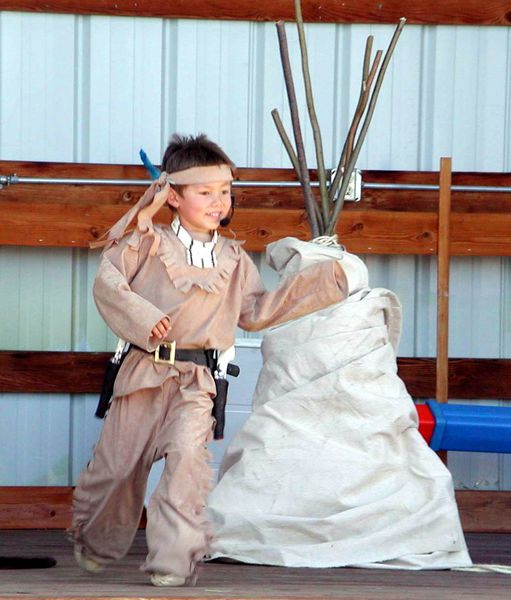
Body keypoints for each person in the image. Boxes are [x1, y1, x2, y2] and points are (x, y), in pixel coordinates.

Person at [68, 133, 350, 587]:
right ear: (173, 196)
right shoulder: (146, 243)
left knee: (185, 461)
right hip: (143, 372)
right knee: (120, 467)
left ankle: (172, 561)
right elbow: (108, 283)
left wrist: (320, 284)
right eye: (205, 192)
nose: (218, 201)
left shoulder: (234, 260)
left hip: (198, 380)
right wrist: (143, 317)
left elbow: (256, 311)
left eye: (225, 191)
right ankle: (97, 542)